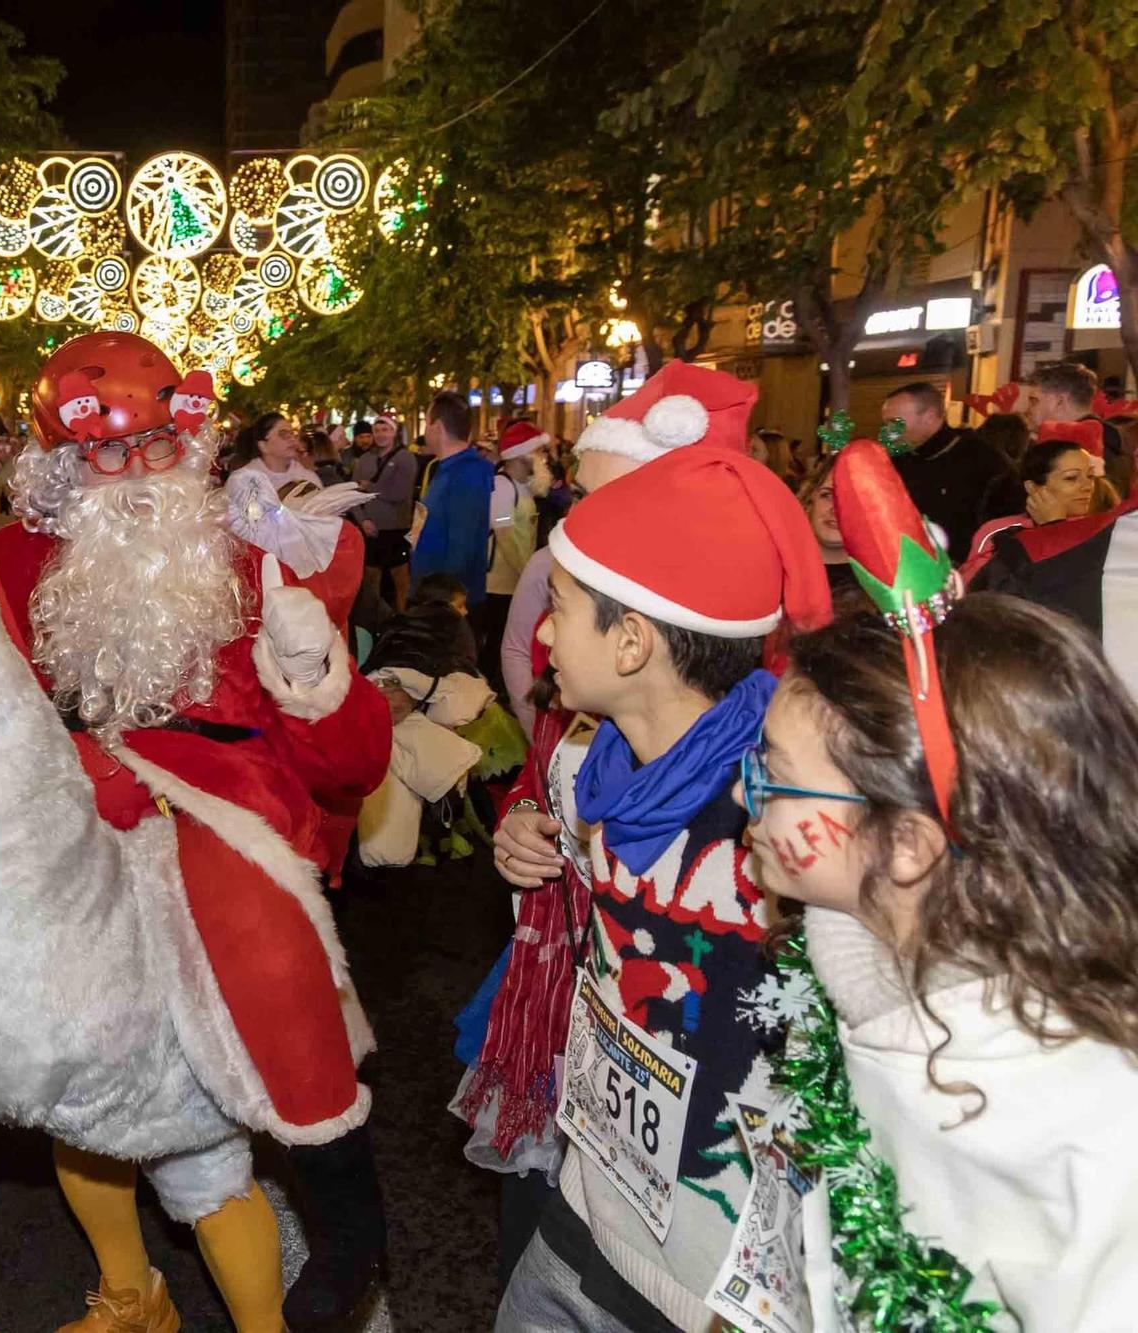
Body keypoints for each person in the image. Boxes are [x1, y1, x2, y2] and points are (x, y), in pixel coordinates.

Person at [0, 330, 393, 1331]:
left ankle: (326, 1256)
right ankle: (131, 1293)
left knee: (242, 983)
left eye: (155, 446)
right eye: (104, 453)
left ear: (192, 442)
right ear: (63, 469)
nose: (133, 475)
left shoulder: (255, 559)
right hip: (70, 832)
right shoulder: (18, 563)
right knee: (79, 1085)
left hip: (219, 825)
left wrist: (315, 684)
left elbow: (348, 770)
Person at [486, 444, 832, 1333]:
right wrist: (525, 835)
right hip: (580, 1214)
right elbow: (565, 839)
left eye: (560, 609)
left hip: (707, 1294)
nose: (543, 636)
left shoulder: (792, 818)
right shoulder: (584, 760)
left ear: (632, 641)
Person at [742, 559, 1138, 1327]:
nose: (741, 794)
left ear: (907, 846)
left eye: (775, 777)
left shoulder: (1095, 1134)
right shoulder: (858, 957)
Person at [498, 361, 759, 732]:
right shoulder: (553, 562)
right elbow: (517, 649)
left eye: (602, 500)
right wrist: (539, 741)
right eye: (578, 496)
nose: (578, 515)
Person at [882, 381, 1014, 564]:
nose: (889, 432)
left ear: (929, 416)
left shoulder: (983, 460)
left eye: (894, 423)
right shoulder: (896, 461)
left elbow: (1004, 526)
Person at [960, 435, 1098, 584]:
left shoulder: (1100, 530)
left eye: (1090, 476)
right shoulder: (996, 531)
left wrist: (1054, 526)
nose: (1087, 486)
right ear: (1032, 487)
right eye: (1071, 478)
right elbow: (977, 588)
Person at [410, 391, 497, 623]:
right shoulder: (447, 469)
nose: (425, 430)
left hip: (448, 606)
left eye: (427, 423)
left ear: (437, 427)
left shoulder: (468, 473)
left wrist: (438, 602)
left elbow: (462, 548)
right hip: (437, 600)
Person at [482, 420, 552, 688]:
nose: (543, 458)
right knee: (498, 642)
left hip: (517, 581)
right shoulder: (502, 487)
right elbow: (506, 536)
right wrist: (528, 574)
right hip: (501, 584)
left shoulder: (525, 487)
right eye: (539, 451)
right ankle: (494, 691)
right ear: (524, 454)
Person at [1028, 360, 1130, 493]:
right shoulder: (1114, 446)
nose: (1028, 409)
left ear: (1059, 402)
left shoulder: (1079, 454)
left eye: (1034, 401)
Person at [353, 410, 418, 610]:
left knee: (401, 581)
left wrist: (370, 487)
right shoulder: (364, 460)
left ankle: (403, 621)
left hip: (396, 528)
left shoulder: (405, 458)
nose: (381, 434)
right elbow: (353, 494)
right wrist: (362, 520)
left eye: (386, 429)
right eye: (378, 430)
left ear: (394, 432)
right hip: (371, 529)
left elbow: (399, 492)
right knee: (371, 582)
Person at [796, 454, 861, 601]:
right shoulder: (778, 569)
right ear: (809, 500)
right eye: (827, 495)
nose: (836, 509)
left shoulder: (884, 586)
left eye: (851, 499)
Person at [227, 412, 318, 490]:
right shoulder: (243, 480)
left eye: (292, 433)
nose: (292, 439)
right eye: (283, 434)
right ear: (263, 446)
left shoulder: (307, 478)